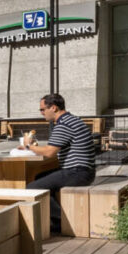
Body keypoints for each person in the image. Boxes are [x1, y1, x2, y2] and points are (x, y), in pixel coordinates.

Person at [23, 93, 96, 235]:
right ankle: (56, 222)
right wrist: (34, 147)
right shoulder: (73, 120)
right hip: (85, 170)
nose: (41, 113)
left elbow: (49, 152)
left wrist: (28, 146)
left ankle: (63, 221)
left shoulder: (63, 124)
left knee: (31, 188)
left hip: (78, 172)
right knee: (40, 177)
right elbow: (54, 147)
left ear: (54, 108)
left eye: (43, 109)